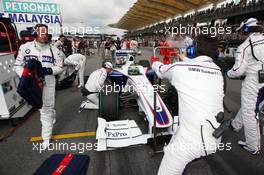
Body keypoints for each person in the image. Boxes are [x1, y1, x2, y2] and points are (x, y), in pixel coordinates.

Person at [152, 35, 224, 175]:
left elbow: (160, 71)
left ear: (192, 50)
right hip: (215, 135)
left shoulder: (180, 68)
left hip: (191, 141)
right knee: (175, 140)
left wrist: (154, 62)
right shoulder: (217, 71)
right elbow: (197, 68)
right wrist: (184, 58)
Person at [14, 24, 63, 149]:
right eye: (42, 33)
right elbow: (17, 65)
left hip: (48, 82)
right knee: (42, 108)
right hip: (32, 83)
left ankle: (46, 138)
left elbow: (60, 67)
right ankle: (51, 114)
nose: (45, 35)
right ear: (35, 33)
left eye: (46, 33)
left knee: (46, 108)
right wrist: (27, 75)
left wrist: (47, 71)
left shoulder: (54, 49)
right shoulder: (25, 48)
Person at [227, 18, 264, 155]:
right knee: (251, 106)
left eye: (242, 30)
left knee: (250, 113)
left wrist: (228, 73)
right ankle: (236, 125)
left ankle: (253, 146)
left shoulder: (245, 46)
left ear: (246, 29)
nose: (241, 33)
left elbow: (238, 71)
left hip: (254, 83)